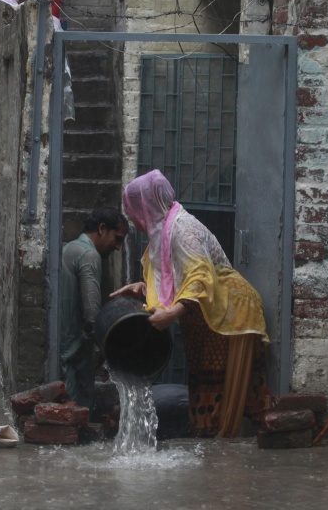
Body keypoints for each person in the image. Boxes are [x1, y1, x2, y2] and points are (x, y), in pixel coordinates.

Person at [111, 170, 270, 438]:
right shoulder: (163, 232)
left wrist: (172, 313)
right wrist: (142, 287)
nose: (136, 221)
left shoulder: (183, 230)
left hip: (229, 311)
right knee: (205, 379)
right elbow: (174, 275)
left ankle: (221, 449)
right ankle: (215, 445)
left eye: (136, 211)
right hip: (205, 311)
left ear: (148, 205)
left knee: (218, 380)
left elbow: (200, 277)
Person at [60, 207, 129, 408]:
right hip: (75, 355)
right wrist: (106, 348)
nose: (118, 247)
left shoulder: (69, 248)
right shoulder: (90, 255)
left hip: (64, 351)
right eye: (117, 238)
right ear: (101, 229)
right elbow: (91, 313)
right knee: (76, 418)